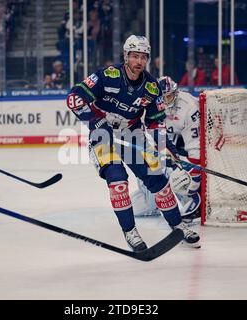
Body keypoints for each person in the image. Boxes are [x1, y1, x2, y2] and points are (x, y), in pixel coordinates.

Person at [66, 35, 200, 252]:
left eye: (143, 57)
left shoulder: (152, 87)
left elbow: (156, 123)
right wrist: (95, 119)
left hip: (133, 137)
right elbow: (74, 98)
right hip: (103, 136)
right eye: (134, 56)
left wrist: (164, 148)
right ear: (126, 56)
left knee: (159, 180)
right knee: (117, 181)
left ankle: (178, 225)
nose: (139, 61)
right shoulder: (107, 76)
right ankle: (130, 231)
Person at [131, 76, 201, 224]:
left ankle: (191, 196)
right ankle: (153, 200)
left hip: (186, 146)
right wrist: (162, 152)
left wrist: (193, 184)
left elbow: (196, 147)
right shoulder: (147, 103)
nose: (165, 101)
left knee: (176, 174)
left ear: (176, 92)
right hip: (165, 141)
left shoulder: (189, 107)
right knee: (145, 171)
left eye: (168, 96)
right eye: (161, 98)